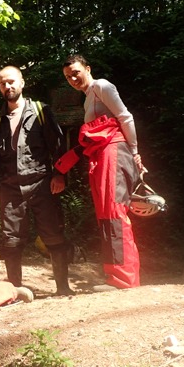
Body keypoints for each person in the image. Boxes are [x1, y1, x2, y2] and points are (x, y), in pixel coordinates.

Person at [0, 66, 74, 296]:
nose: (8, 86)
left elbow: (58, 145)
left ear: (22, 83)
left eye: (12, 82)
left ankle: (63, 288)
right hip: (10, 188)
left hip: (42, 183)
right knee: (11, 240)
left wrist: (59, 174)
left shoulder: (40, 111)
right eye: (3, 83)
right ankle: (15, 291)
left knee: (53, 233)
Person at [58, 54, 142, 291]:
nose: (72, 78)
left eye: (75, 72)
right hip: (101, 154)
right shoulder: (87, 99)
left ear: (87, 68)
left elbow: (125, 116)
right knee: (106, 212)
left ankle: (124, 278)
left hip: (115, 149)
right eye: (67, 77)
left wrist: (135, 151)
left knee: (114, 210)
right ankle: (115, 275)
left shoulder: (101, 86)